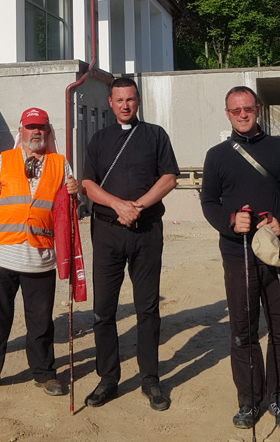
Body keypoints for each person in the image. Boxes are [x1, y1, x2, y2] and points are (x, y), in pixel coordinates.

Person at [200, 86, 280, 430]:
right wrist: (231, 222)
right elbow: (209, 202)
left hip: (278, 251)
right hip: (238, 253)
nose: (243, 115)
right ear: (227, 114)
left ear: (257, 109)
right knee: (242, 331)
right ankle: (248, 401)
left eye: (247, 108)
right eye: (236, 110)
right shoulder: (217, 156)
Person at [0, 107, 81, 398]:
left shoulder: (60, 164)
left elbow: (69, 211)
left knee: (41, 323)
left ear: (48, 131)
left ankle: (45, 374)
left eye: (41, 127)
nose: (36, 132)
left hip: (41, 259)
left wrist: (74, 192)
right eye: (31, 127)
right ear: (21, 131)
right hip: (3, 257)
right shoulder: (5, 160)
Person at [81, 77, 179, 411]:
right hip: (107, 232)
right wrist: (118, 206)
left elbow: (169, 178)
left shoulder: (155, 135)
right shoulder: (99, 139)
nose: (125, 105)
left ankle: (150, 378)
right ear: (110, 103)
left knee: (147, 309)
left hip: (146, 231)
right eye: (119, 100)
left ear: (138, 101)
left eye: (130, 99)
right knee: (103, 310)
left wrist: (137, 206)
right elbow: (88, 184)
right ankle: (107, 377)